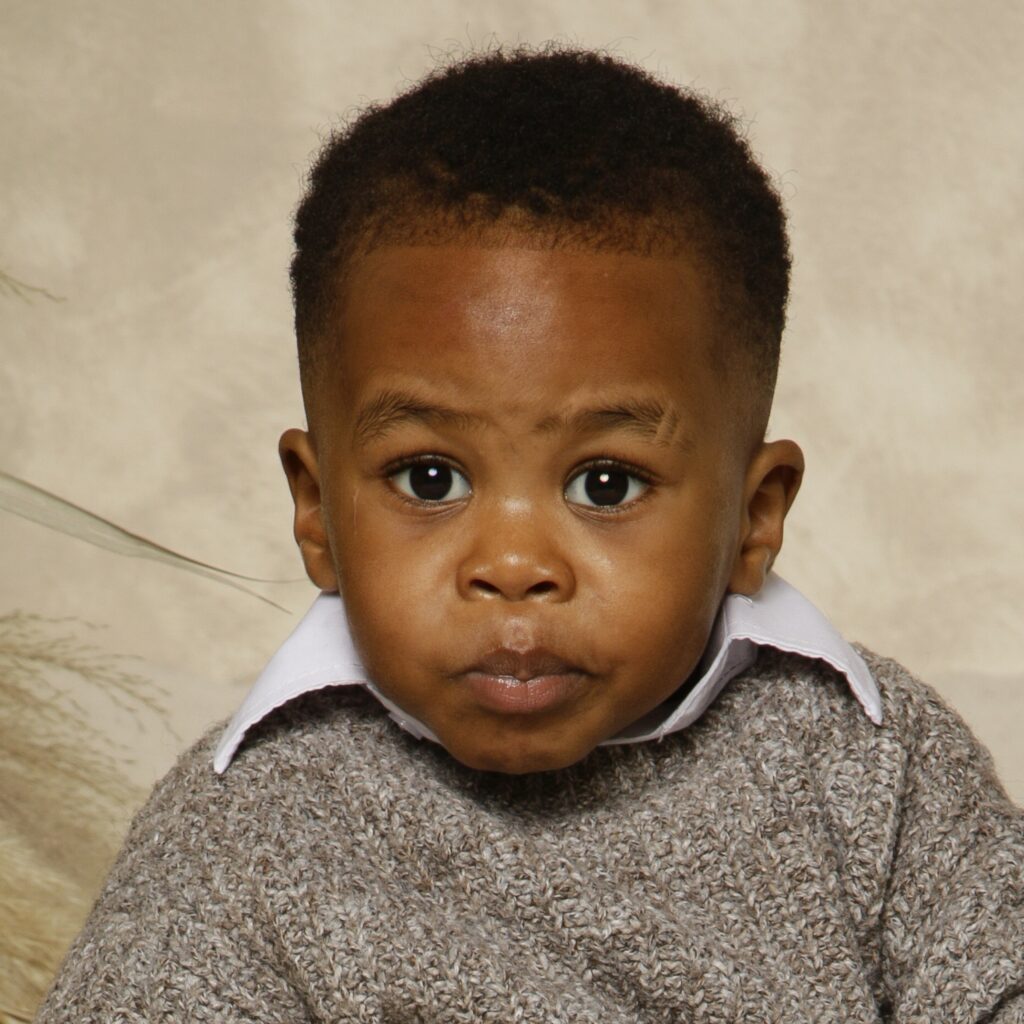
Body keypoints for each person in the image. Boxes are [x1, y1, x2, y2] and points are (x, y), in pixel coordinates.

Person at [35, 45, 1023, 1022]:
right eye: (430, 479)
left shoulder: (875, 765)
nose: (513, 566)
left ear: (753, 516)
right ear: (316, 510)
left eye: (606, 485)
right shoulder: (243, 832)